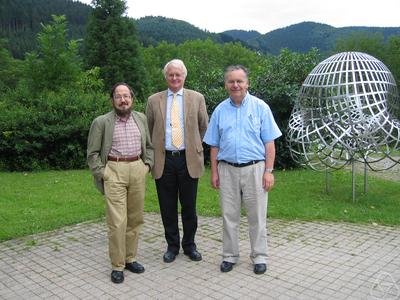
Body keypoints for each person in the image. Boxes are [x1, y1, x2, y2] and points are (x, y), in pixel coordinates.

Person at [203, 65, 282, 274]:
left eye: (239, 81)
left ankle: (259, 257)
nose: (235, 85)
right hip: (226, 169)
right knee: (229, 216)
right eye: (231, 81)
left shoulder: (260, 107)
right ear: (226, 84)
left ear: (247, 83)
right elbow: (214, 144)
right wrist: (214, 172)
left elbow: (269, 143)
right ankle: (229, 255)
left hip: (255, 169)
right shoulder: (220, 110)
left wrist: (269, 171)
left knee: (257, 216)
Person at [87, 82, 154, 284]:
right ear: (112, 100)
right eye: (119, 96)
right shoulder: (101, 122)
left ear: (132, 99)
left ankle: (130, 258)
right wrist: (104, 173)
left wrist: (147, 166)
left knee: (135, 219)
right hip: (114, 171)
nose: (123, 100)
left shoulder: (141, 118)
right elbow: (92, 154)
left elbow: (149, 146)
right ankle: (117, 265)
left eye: (127, 96)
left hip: (137, 169)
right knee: (117, 222)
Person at [146, 59, 208, 263]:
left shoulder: (197, 98)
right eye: (171, 74)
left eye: (178, 74)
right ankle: (172, 246)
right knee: (167, 207)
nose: (174, 78)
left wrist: (193, 146)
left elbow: (203, 127)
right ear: (166, 77)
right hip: (163, 160)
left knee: (189, 206)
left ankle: (189, 245)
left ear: (184, 76)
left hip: (187, 159)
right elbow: (148, 129)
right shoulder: (154, 100)